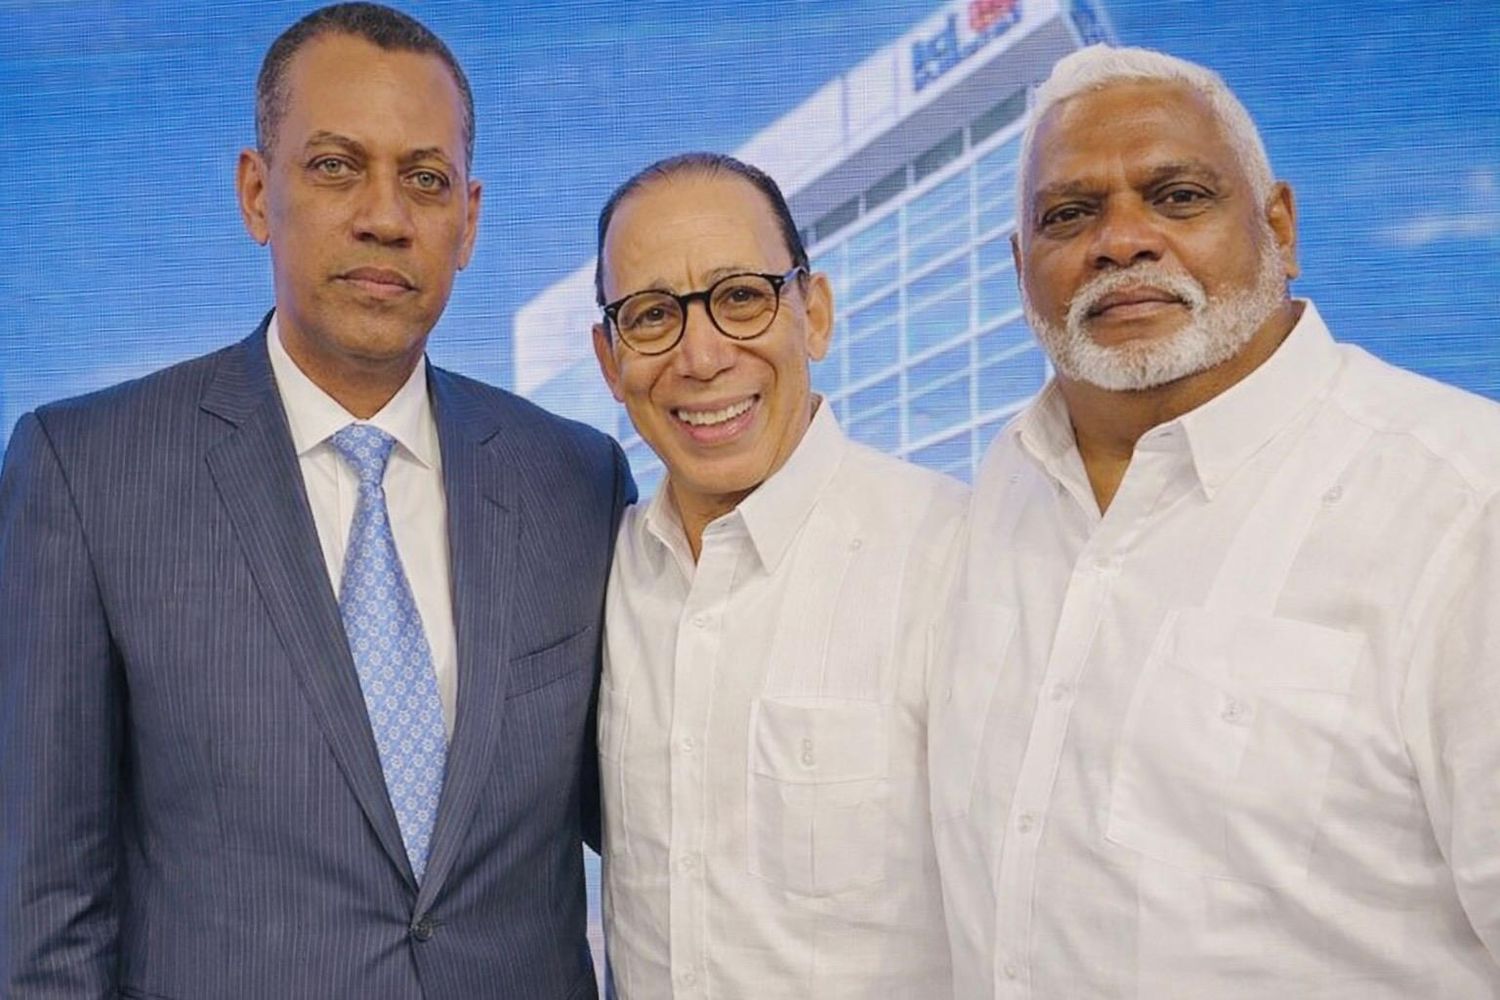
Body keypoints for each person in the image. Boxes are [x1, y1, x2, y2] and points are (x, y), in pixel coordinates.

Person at [0, 5, 631, 997]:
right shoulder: (87, 472)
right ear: (258, 193)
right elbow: (47, 918)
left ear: (468, 220)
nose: (386, 215)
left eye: (425, 179)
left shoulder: (578, 481)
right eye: (337, 166)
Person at [932, 43, 1500, 998]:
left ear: (1279, 226)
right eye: (1069, 214)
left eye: (1178, 196)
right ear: (1020, 267)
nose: (1122, 241)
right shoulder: (1001, 494)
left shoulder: (1464, 506)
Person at [589, 153, 964, 997]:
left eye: (741, 298)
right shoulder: (602, 577)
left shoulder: (953, 559)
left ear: (814, 314)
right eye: (651, 316)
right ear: (610, 361)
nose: (701, 356)